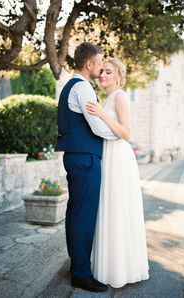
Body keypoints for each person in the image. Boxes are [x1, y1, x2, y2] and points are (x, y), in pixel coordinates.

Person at [56, 43, 119, 292]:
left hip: (77, 156)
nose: (102, 66)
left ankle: (77, 264)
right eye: (100, 61)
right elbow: (97, 127)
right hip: (85, 158)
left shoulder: (71, 86)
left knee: (75, 213)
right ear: (89, 63)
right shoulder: (82, 88)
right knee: (84, 215)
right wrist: (120, 135)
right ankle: (81, 273)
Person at [86, 58, 149, 288]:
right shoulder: (107, 97)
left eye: (108, 71)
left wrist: (102, 115)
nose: (102, 75)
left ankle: (122, 269)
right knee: (109, 209)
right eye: (101, 71)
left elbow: (126, 133)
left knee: (118, 209)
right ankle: (110, 266)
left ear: (118, 75)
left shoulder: (120, 96)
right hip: (108, 156)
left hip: (119, 158)